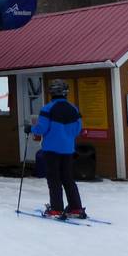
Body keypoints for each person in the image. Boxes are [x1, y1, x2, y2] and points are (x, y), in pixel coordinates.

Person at [24, 80, 86, 219]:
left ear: (51, 93)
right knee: (68, 178)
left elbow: (41, 129)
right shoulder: (73, 109)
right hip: (68, 149)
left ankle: (56, 209)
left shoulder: (47, 109)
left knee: (54, 179)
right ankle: (76, 208)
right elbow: (78, 129)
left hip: (51, 149)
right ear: (66, 92)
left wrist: (30, 128)